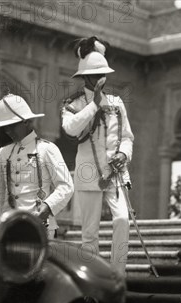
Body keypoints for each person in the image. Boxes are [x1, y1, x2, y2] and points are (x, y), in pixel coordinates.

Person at [61, 36, 134, 277]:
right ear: (85, 77)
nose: (101, 78)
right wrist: (94, 104)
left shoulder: (116, 102)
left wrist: (124, 153)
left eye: (104, 73)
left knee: (122, 219)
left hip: (114, 172)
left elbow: (127, 137)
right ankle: (92, 279)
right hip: (88, 172)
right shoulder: (74, 104)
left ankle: (117, 275)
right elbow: (71, 128)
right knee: (89, 232)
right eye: (96, 74)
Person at [0, 93, 74, 239]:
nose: (8, 131)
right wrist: (3, 220)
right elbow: (1, 193)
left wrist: (48, 207)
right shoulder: (3, 153)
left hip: (40, 225)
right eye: (5, 127)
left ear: (26, 122)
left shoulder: (46, 149)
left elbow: (66, 185)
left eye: (12, 126)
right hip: (11, 227)